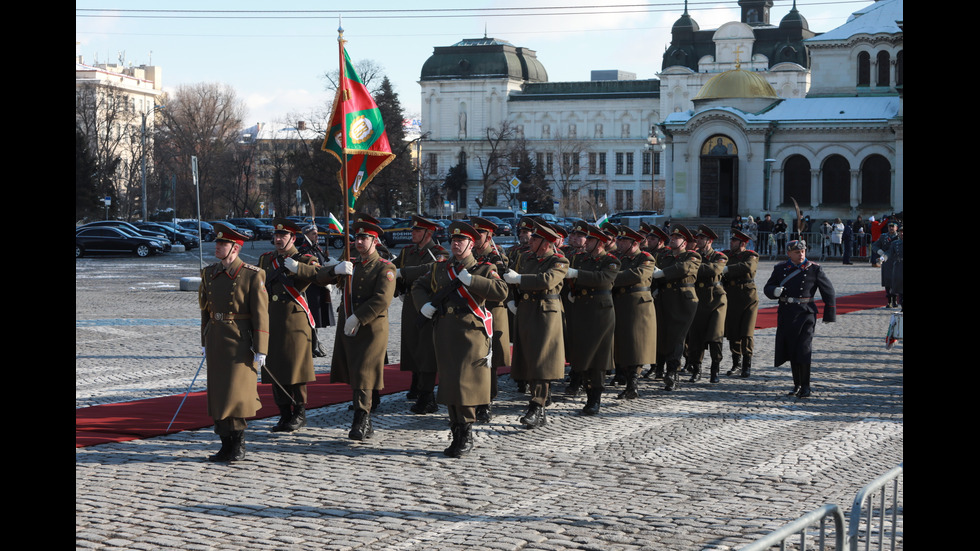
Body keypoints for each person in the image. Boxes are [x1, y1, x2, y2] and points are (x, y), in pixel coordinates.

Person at [413, 221, 509, 457]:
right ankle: (456, 430)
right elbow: (418, 284)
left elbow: (502, 291)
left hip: (471, 334)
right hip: (445, 331)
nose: (456, 244)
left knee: (465, 384)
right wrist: (423, 305)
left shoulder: (483, 269)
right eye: (453, 241)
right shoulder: (440, 268)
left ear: (471, 244)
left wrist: (472, 281)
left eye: (461, 241)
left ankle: (465, 433)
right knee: (449, 382)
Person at [316, 219, 396, 440]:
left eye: (364, 238)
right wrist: (335, 269)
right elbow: (320, 278)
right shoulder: (352, 264)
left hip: (371, 327)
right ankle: (364, 417)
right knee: (353, 370)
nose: (359, 242)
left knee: (364, 371)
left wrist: (359, 317)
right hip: (348, 324)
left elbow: (382, 299)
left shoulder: (385, 267)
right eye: (357, 238)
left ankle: (361, 418)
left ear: (375, 241)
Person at [198, 223, 269, 462]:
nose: (217, 247)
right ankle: (224, 443)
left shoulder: (252, 274)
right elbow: (206, 309)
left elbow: (261, 313)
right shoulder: (209, 273)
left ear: (235, 249)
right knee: (218, 395)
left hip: (240, 341)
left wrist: (261, 347)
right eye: (217, 243)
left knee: (236, 394)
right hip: (217, 339)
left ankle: (238, 444)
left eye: (223, 244)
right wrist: (204, 338)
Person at [257, 218, 321, 433]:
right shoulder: (266, 259)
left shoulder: (305, 259)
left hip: (294, 320)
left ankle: (299, 413)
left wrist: (298, 268)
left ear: (293, 238)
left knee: (295, 369)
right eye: (276, 235)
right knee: (274, 368)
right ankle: (284, 413)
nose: (278, 239)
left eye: (283, 236)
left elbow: (318, 274)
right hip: (271, 319)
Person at [503, 219, 568, 428]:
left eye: (536, 238)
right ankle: (537, 404)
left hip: (546, 313)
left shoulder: (559, 260)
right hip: (526, 310)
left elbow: (547, 280)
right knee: (529, 359)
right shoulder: (525, 257)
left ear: (546, 243)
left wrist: (519, 279)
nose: (531, 240)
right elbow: (511, 278)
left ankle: (537, 404)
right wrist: (512, 297)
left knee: (541, 360)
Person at [763, 239, 836, 398]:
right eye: (797, 252)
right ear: (789, 253)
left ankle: (806, 386)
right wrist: (774, 291)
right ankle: (796, 384)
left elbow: (828, 291)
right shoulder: (780, 268)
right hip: (786, 313)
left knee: (804, 349)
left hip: (806, 313)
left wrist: (830, 313)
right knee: (791, 349)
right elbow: (768, 287)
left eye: (803, 251)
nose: (801, 254)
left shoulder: (814, 269)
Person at [393, 215, 448, 413]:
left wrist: (404, 272)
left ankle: (427, 396)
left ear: (428, 233)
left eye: (417, 231)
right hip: (410, 302)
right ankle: (417, 384)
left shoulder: (438, 252)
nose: (413, 233)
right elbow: (394, 266)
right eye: (413, 230)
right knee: (411, 345)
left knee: (426, 349)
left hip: (428, 303)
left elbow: (431, 269)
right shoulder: (408, 251)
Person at [564, 223, 618, 414]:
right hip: (581, 309)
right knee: (582, 353)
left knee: (598, 356)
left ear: (600, 243)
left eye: (591, 240)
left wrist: (577, 274)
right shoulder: (582, 259)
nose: (586, 243)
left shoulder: (611, 261)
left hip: (601, 313)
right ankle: (585, 390)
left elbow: (603, 278)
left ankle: (595, 398)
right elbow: (573, 279)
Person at [470, 216, 511, 422]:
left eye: (481, 235)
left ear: (489, 236)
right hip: (472, 310)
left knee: (490, 358)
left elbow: (501, 285)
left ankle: (486, 401)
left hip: (493, 311)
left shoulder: (496, 257)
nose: (476, 238)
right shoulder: (469, 255)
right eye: (474, 234)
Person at [652, 224, 701, 390]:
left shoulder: (692, 256)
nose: (672, 240)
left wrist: (662, 273)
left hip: (683, 301)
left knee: (676, 337)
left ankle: (673, 373)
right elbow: (654, 273)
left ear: (685, 242)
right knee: (664, 335)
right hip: (664, 299)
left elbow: (683, 268)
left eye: (676, 238)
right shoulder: (664, 256)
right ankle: (663, 368)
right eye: (671, 237)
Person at [611, 225, 656, 398]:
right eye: (619, 240)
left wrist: (611, 277)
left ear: (634, 243)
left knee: (637, 344)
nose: (619, 243)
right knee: (622, 344)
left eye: (624, 241)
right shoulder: (618, 257)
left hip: (638, 305)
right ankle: (628, 381)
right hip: (620, 303)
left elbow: (636, 275)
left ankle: (633, 383)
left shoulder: (646, 258)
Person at [687, 226, 728, 383]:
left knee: (715, 336)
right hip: (698, 298)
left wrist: (693, 267)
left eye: (702, 239)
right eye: (697, 238)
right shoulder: (694, 256)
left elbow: (714, 270)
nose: (698, 241)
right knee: (695, 336)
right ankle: (696, 369)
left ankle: (715, 369)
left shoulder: (720, 256)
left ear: (709, 241)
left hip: (716, 300)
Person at [722, 229, 760, 378]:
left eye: (734, 241)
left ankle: (746, 364)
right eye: (731, 240)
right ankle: (736, 363)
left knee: (747, 331)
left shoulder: (750, 255)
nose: (731, 243)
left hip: (747, 296)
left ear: (742, 243)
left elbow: (747, 267)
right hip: (731, 294)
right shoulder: (727, 255)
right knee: (733, 331)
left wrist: (727, 269)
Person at [297, 223, 335, 331]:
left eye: (317, 234)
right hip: (311, 287)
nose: (317, 236)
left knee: (318, 318)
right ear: (306, 235)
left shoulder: (317, 247)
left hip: (321, 285)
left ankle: (315, 340)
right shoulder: (304, 250)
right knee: (313, 316)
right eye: (313, 234)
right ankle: (313, 343)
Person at [874, 221, 901, 307]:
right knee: (888, 282)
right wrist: (879, 251)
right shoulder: (883, 237)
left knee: (896, 282)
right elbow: (875, 245)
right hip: (886, 262)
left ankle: (895, 300)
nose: (891, 228)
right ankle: (889, 300)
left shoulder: (899, 237)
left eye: (893, 226)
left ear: (896, 228)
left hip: (897, 261)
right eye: (890, 226)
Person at [887, 225, 903, 310]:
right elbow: (889, 253)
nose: (902, 233)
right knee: (900, 288)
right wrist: (883, 258)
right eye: (901, 232)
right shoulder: (895, 243)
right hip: (899, 267)